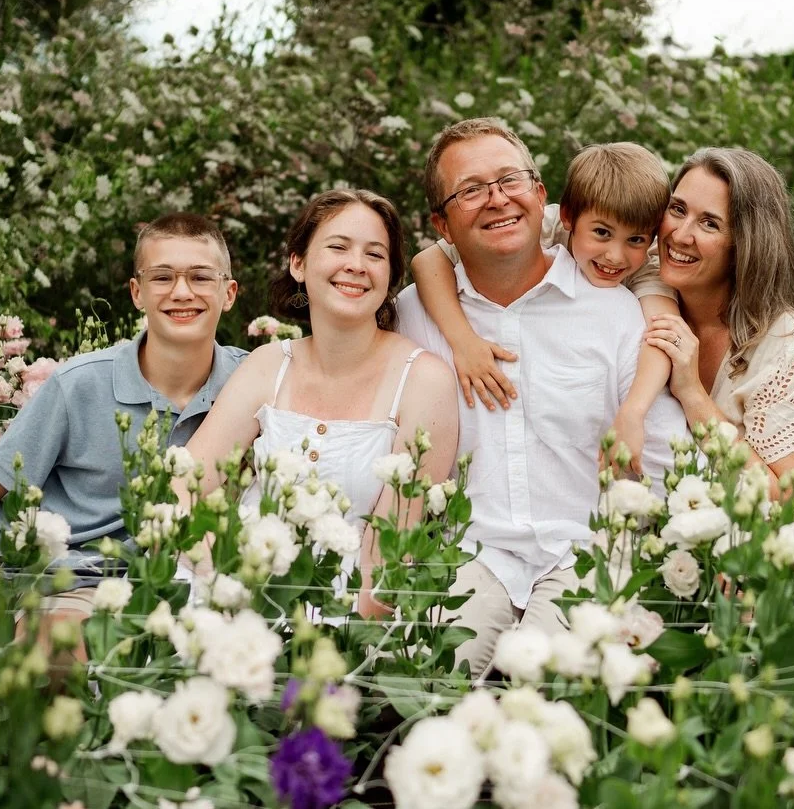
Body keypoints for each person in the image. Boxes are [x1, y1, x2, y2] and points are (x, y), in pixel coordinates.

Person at [396, 118, 689, 677]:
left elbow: (663, 455)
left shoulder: (614, 310)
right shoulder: (415, 318)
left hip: (584, 549)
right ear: (442, 224)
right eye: (471, 190)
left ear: (541, 195)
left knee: (545, 683)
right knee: (423, 674)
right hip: (469, 552)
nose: (497, 199)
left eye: (509, 180)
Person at [0, 212, 248, 634]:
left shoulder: (248, 385)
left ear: (229, 292)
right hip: (0, 557)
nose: (182, 292)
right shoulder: (81, 383)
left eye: (201, 277)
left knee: (53, 650)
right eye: (162, 277)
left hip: (92, 580)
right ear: (137, 293)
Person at [181, 189, 458, 619]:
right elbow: (184, 490)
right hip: (230, 591)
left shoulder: (423, 380)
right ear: (298, 264)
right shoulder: (268, 364)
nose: (356, 265)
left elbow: (391, 555)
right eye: (338, 247)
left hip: (345, 614)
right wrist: (227, 588)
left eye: (375, 254)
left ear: (390, 277)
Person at [410, 141, 679, 469]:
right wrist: (463, 341)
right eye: (602, 234)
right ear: (567, 217)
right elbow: (427, 261)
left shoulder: (648, 268)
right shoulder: (538, 222)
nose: (615, 256)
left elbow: (665, 337)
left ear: (651, 239)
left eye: (635, 239)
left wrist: (633, 412)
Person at [647, 147, 794, 491]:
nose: (679, 234)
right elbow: (565, 227)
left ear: (745, 244)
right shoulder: (638, 273)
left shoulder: (784, 342)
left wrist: (693, 394)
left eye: (709, 223)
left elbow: (788, 498)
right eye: (677, 209)